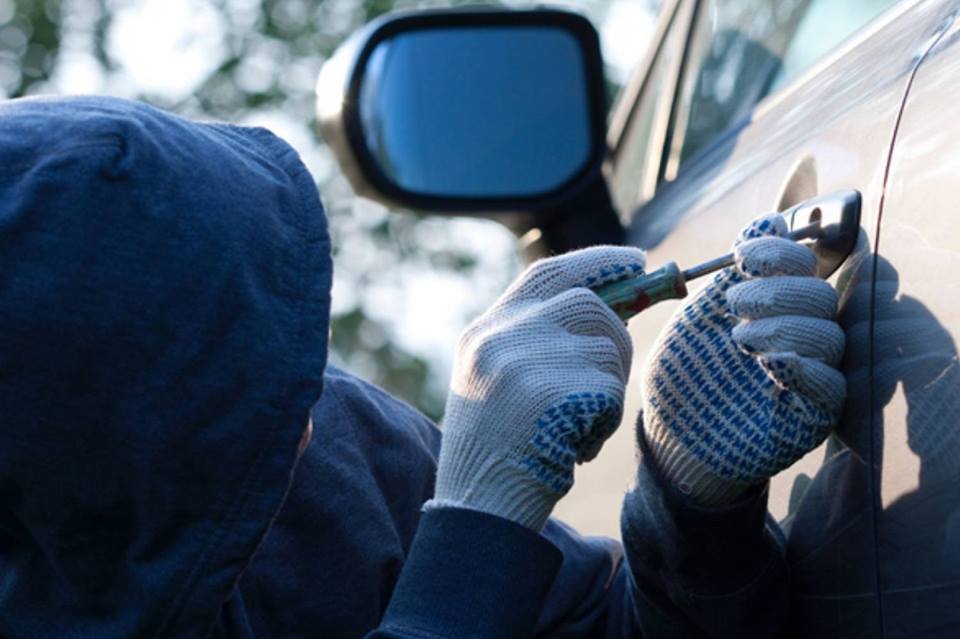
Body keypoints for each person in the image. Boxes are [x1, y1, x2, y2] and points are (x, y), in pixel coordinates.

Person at [0, 95, 846, 638]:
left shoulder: (323, 458)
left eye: (266, 334)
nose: (295, 402)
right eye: (209, 377)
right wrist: (473, 535)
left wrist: (690, 511)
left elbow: (606, 630)